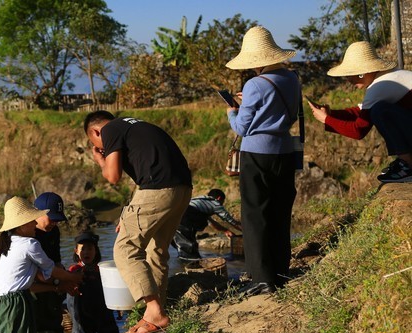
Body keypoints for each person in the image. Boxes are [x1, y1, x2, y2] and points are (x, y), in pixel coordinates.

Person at [83, 110, 192, 333]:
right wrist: (126, 215)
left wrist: (100, 160)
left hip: (158, 189)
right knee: (156, 250)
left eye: (96, 143)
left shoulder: (110, 129)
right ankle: (159, 310)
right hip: (182, 190)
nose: (101, 146)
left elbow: (113, 176)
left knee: (124, 250)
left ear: (95, 132)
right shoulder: (136, 126)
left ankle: (154, 313)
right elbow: (145, 179)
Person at [224, 26, 300, 296]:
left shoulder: (254, 84)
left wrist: (233, 111)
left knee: (255, 215)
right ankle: (280, 271)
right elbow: (288, 115)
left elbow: (242, 128)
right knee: (280, 212)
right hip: (285, 149)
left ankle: (261, 278)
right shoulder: (293, 79)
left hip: (257, 154)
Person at [0, 196, 82, 333]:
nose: (34, 223)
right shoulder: (29, 244)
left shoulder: (6, 243)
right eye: (32, 220)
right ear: (21, 225)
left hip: (0, 307)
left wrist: (58, 287)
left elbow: (28, 284)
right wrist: (73, 279)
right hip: (16, 306)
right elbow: (52, 271)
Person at [307, 41, 412, 183]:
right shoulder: (385, 77)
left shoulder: (380, 86)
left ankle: (407, 165)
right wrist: (331, 114)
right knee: (377, 110)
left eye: (352, 74)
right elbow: (362, 111)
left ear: (364, 72)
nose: (348, 80)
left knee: (380, 111)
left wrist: (326, 120)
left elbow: (358, 131)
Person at [68, 231, 120, 333]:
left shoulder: (101, 269)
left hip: (102, 311)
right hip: (83, 314)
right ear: (76, 251)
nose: (86, 252)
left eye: (90, 248)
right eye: (83, 248)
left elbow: (112, 289)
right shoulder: (74, 270)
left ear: (96, 251)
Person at [31, 192, 69, 333]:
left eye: (57, 219)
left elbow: (56, 261)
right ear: (38, 213)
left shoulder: (54, 231)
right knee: (35, 331)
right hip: (33, 288)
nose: (54, 222)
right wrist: (60, 282)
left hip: (51, 283)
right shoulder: (28, 233)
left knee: (54, 329)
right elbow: (37, 273)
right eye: (51, 218)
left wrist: (64, 279)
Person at [172, 189, 242, 262]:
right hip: (185, 220)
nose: (222, 204)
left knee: (186, 248)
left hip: (174, 218)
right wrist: (246, 231)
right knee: (189, 252)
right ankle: (192, 267)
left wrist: (226, 231)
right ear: (219, 198)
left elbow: (212, 223)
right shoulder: (215, 203)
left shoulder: (201, 202)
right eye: (222, 202)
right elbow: (231, 221)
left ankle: (183, 265)